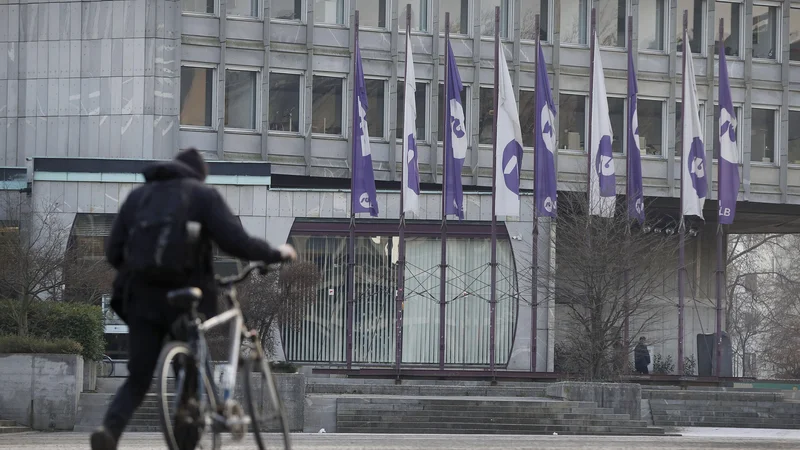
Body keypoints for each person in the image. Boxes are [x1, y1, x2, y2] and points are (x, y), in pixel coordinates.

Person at [90, 148, 297, 450]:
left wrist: (145, 275)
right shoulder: (202, 196)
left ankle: (109, 430)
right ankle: (186, 434)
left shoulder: (138, 198)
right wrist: (275, 253)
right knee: (189, 371)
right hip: (185, 297)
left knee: (139, 376)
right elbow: (235, 241)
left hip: (140, 301)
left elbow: (113, 252)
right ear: (198, 174)